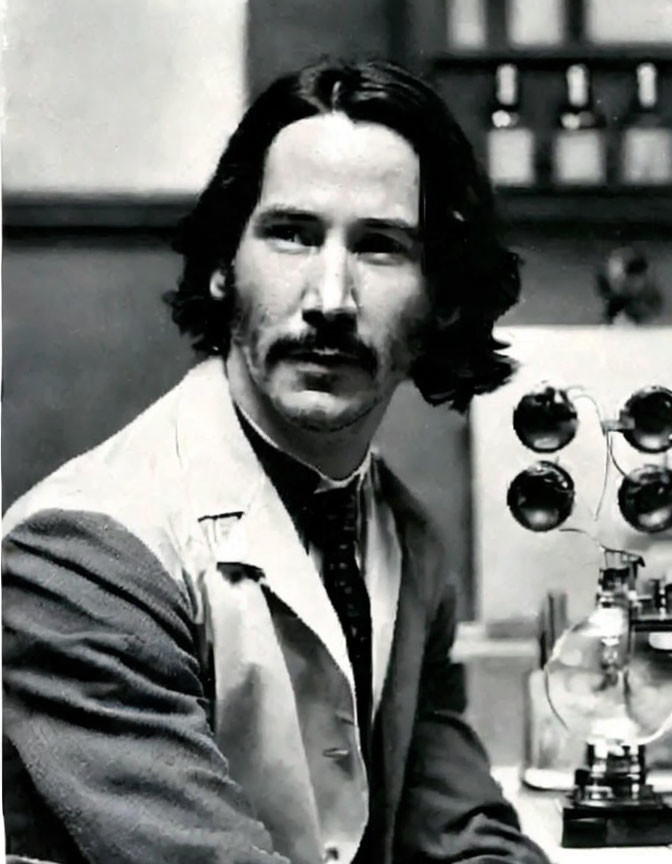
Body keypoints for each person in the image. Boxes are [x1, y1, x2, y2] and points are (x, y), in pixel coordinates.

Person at [3, 59, 549, 864]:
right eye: (292, 234)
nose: (330, 298)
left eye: (381, 247)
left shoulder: (408, 541)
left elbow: (461, 837)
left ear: (443, 299)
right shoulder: (80, 556)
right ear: (226, 265)